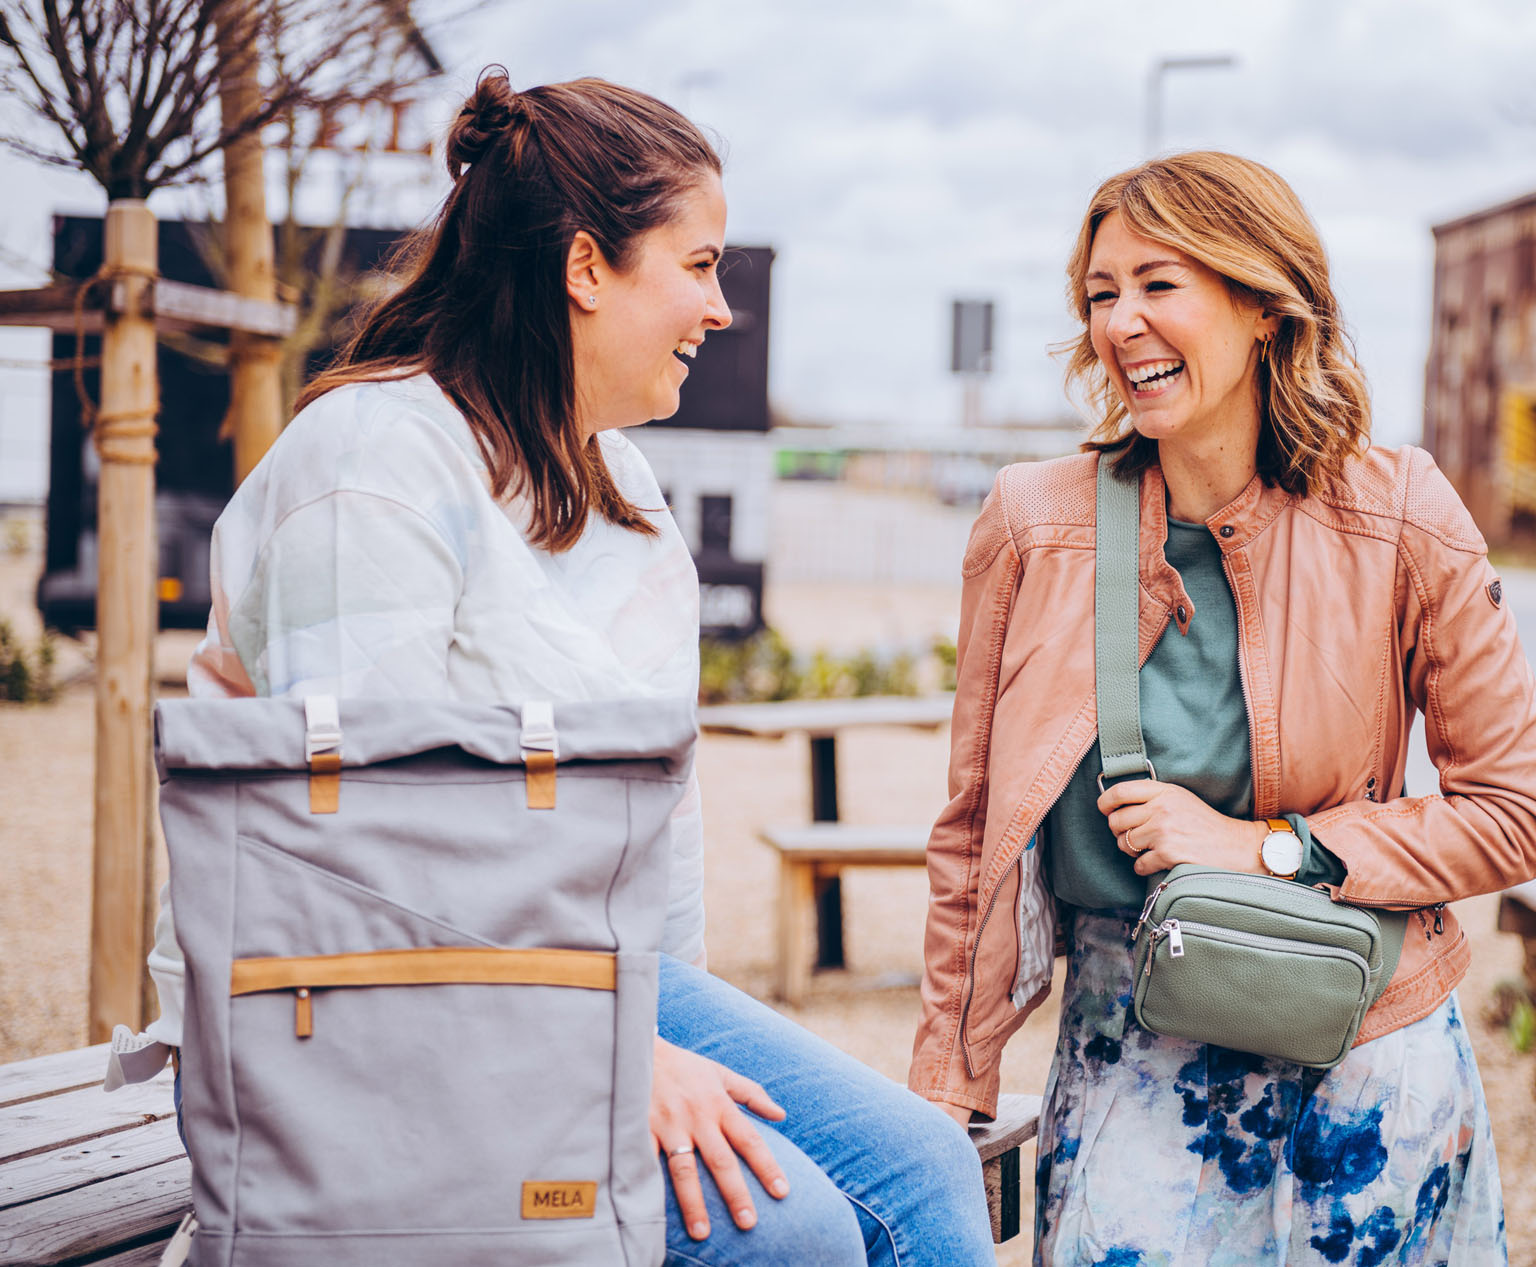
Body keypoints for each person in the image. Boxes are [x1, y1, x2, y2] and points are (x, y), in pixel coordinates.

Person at [142, 68, 992, 1267]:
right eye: (699, 265)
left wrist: (668, 1036)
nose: (721, 308)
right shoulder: (372, 467)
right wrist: (612, 1059)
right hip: (344, 1009)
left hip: (584, 981)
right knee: (786, 1232)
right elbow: (356, 866)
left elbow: (659, 827)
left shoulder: (618, 484)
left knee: (924, 1167)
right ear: (586, 267)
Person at [909, 151, 1536, 1265]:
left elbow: (1517, 814)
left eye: (1157, 284)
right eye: (1101, 294)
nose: (1121, 323)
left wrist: (1265, 849)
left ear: (1264, 303)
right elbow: (976, 838)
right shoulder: (1033, 525)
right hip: (1131, 1066)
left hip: (1365, 1056)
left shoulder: (1403, 514)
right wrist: (949, 1090)